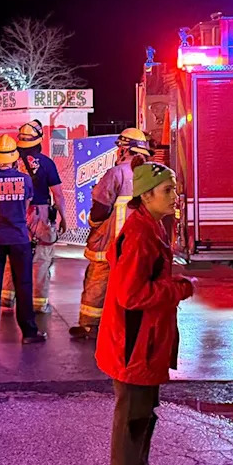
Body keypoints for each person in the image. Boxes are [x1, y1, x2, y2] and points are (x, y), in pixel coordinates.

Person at [96, 159, 194, 465]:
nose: (175, 197)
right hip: (133, 347)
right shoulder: (140, 234)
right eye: (168, 191)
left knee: (143, 418)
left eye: (174, 189)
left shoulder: (150, 227)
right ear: (146, 194)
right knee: (132, 421)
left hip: (143, 345)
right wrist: (180, 288)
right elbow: (131, 295)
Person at [73, 128, 152, 339]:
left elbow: (100, 208)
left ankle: (89, 325)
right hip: (141, 244)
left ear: (125, 150)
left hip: (112, 244)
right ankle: (135, 327)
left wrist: (93, 223)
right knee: (136, 284)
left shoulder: (116, 173)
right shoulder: (153, 173)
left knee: (97, 282)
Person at [0, 135, 46, 345]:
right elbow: (28, 204)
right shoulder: (25, 180)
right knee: (23, 285)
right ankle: (29, 333)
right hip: (19, 238)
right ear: (14, 157)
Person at [1, 121, 68, 314]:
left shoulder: (10, 163)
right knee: (41, 259)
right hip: (40, 215)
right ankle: (38, 304)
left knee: (12, 256)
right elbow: (58, 195)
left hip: (13, 214)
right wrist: (63, 218)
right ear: (39, 140)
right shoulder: (46, 163)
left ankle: (6, 300)